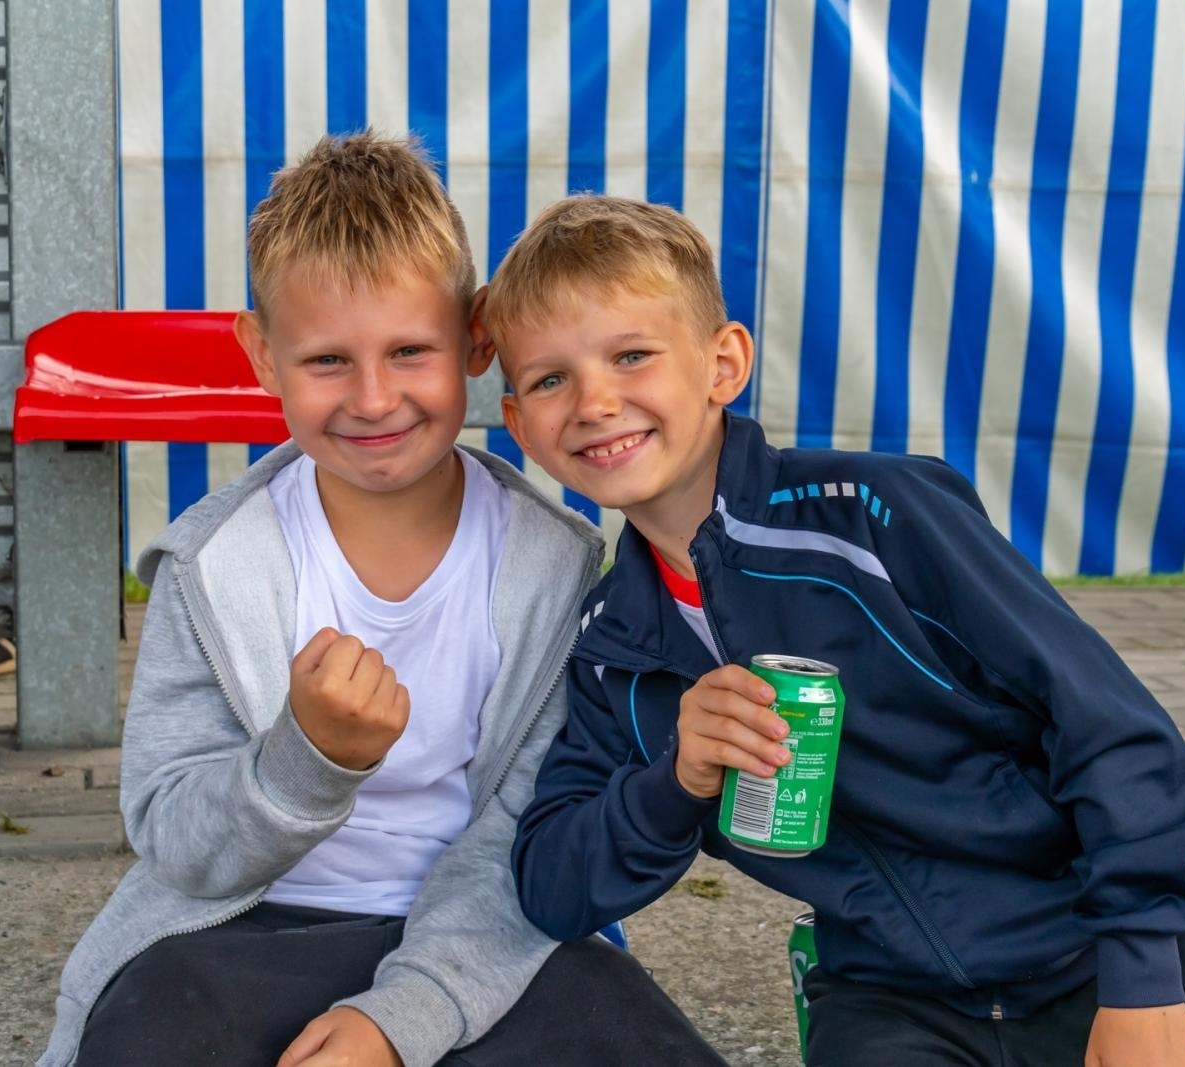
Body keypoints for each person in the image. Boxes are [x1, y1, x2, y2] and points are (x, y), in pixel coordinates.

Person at [485, 194, 1185, 1067]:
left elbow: (1116, 733)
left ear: (724, 364)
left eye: (631, 355)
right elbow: (551, 885)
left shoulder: (877, 516)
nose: (595, 400)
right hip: (890, 1002)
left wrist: (1142, 982)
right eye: (551, 379)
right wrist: (674, 780)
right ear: (520, 423)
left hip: (1099, 958)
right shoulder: (610, 648)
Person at [37, 135, 724, 1067]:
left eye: (410, 351)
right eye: (327, 359)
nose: (372, 398)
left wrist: (399, 1018)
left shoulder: (555, 569)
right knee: (147, 1037)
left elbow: (529, 830)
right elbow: (174, 839)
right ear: (262, 354)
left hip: (487, 938)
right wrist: (304, 760)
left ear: (475, 338)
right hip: (241, 932)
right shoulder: (213, 566)